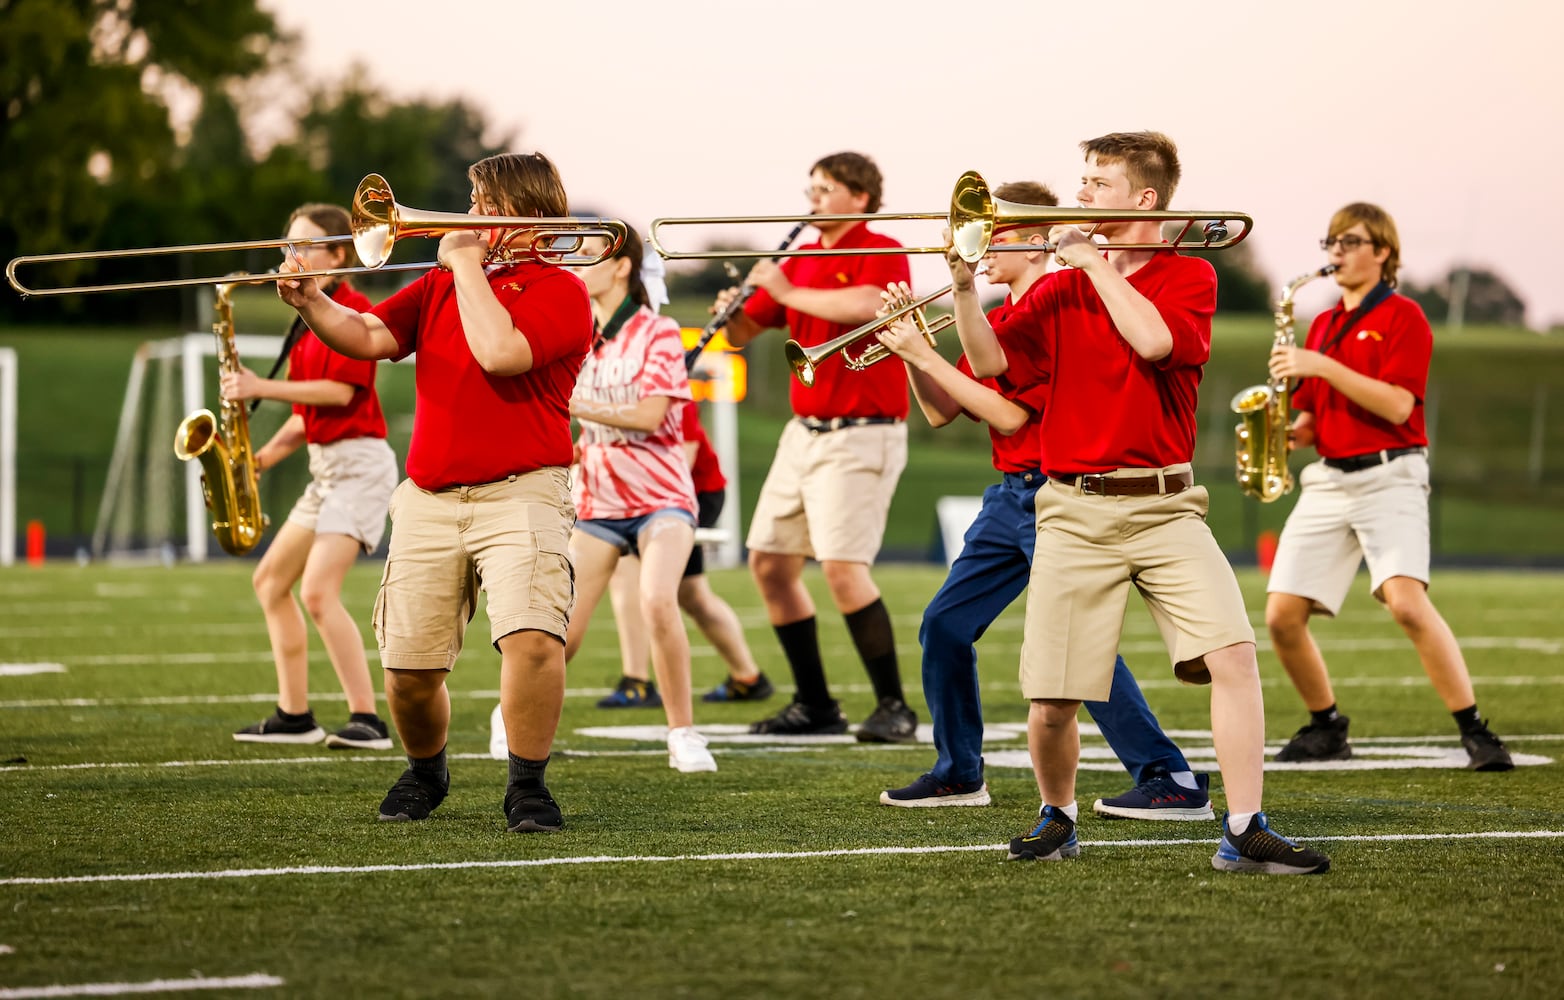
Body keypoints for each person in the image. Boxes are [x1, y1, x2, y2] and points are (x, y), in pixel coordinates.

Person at [948, 132, 1330, 873]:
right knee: (1052, 701)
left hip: (1166, 505)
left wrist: (1092, 263)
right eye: (1083, 180)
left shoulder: (1188, 279)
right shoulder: (1057, 287)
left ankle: (1246, 826)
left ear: (1144, 199)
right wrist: (966, 287)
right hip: (1072, 508)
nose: (1081, 194)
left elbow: (1154, 343)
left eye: (1097, 183)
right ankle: (1056, 815)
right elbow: (990, 364)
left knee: (1234, 657)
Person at [275, 151, 593, 833]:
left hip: (523, 491)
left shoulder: (560, 290)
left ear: (525, 217)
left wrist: (468, 266)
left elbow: (501, 352)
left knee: (533, 640)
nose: (467, 215)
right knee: (408, 673)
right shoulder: (441, 283)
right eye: (471, 201)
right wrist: (314, 303)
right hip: (429, 496)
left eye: (483, 205)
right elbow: (367, 335)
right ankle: (426, 770)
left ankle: (527, 786)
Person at [872, 182, 1211, 819]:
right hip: (1009, 497)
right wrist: (912, 349)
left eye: (997, 231)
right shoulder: (1003, 317)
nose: (982, 242)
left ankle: (1168, 773)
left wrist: (925, 351)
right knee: (944, 624)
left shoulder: (1068, 308)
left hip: (1054, 495)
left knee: (1081, 654)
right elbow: (943, 410)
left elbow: (1003, 412)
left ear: (1036, 243)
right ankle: (959, 771)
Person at [1265, 203, 1513, 772]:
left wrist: (1319, 367)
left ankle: (1475, 730)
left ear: (1382, 252)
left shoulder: (1405, 317)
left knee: (1406, 604)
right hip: (1329, 477)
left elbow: (1398, 404)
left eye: (1351, 241)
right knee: (1281, 615)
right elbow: (1311, 419)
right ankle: (1326, 726)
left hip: (1390, 472)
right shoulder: (1323, 324)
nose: (1337, 251)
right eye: (1331, 241)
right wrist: (1281, 436)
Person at [711, 151, 916, 742]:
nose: (814, 198)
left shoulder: (879, 246)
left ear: (860, 196)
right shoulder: (799, 258)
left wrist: (781, 286)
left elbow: (867, 305)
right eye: (812, 188)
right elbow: (750, 331)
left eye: (826, 189)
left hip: (862, 431)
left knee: (843, 570)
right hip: (803, 432)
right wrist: (734, 313)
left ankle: (894, 706)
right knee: (770, 564)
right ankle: (815, 704)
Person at [495, 228, 717, 773]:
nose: (577, 266)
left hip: (663, 497)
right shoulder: (577, 328)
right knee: (556, 629)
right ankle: (510, 722)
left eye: (590, 258)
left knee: (658, 601)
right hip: (597, 502)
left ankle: (683, 733)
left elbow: (648, 416)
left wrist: (574, 402)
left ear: (622, 267)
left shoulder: (658, 331)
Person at [225, 203, 398, 751]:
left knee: (319, 593)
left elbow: (341, 394)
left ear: (338, 255)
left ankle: (368, 720)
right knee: (271, 581)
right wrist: (261, 459)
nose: (290, 257)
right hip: (326, 468)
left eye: (303, 247)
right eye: (287, 246)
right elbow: (306, 419)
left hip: (361, 466)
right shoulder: (304, 322)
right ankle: (294, 715)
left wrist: (260, 389)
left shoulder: (354, 309)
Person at [595, 397, 774, 709]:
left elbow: (684, 458)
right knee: (692, 594)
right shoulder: (615, 383)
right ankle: (748, 677)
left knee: (629, 569)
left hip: (687, 494)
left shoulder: (668, 391)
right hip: (651, 498)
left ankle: (636, 680)